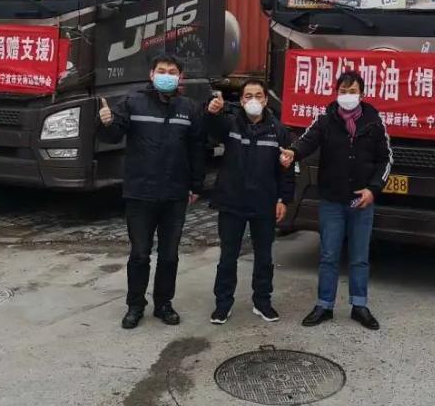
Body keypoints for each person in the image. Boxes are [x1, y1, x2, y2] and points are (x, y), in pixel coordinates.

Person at [98, 54, 205, 330]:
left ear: (180, 77)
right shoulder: (133, 102)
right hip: (140, 193)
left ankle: (163, 304)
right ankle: (135, 305)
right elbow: (113, 136)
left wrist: (196, 184)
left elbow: (197, 148)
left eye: (172, 71)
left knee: (169, 255)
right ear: (151, 74)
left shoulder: (188, 108)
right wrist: (107, 122)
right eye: (161, 70)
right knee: (140, 254)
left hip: (174, 194)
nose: (166, 75)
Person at [279, 70, 391, 330]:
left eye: (352, 91)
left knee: (359, 257)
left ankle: (359, 305)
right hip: (332, 200)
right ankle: (324, 305)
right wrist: (292, 153)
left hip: (361, 201)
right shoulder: (325, 120)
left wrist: (373, 189)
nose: (347, 96)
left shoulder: (374, 122)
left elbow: (386, 160)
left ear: (361, 94)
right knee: (329, 255)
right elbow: (306, 142)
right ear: (336, 93)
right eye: (343, 91)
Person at [205, 79, 294, 324]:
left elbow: (286, 169)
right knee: (228, 257)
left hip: (264, 202)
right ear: (241, 100)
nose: (253, 100)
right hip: (231, 201)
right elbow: (212, 128)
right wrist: (212, 112)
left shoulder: (279, 131)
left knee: (264, 257)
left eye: (258, 95)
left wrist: (283, 199)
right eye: (247, 96)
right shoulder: (231, 124)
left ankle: (262, 302)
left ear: (265, 100)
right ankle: (223, 304)